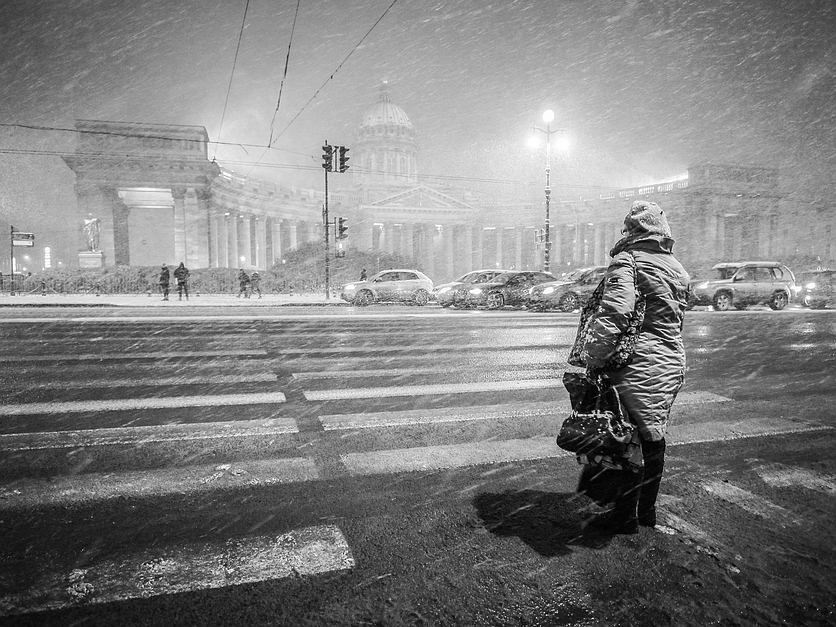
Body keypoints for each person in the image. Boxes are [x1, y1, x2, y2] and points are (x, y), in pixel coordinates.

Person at [580, 200, 690, 535]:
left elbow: (616, 311)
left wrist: (594, 354)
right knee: (653, 437)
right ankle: (647, 512)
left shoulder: (627, 260)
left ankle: (624, 517)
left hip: (636, 360)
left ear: (633, 230)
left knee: (626, 439)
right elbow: (675, 317)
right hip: (671, 358)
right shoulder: (678, 268)